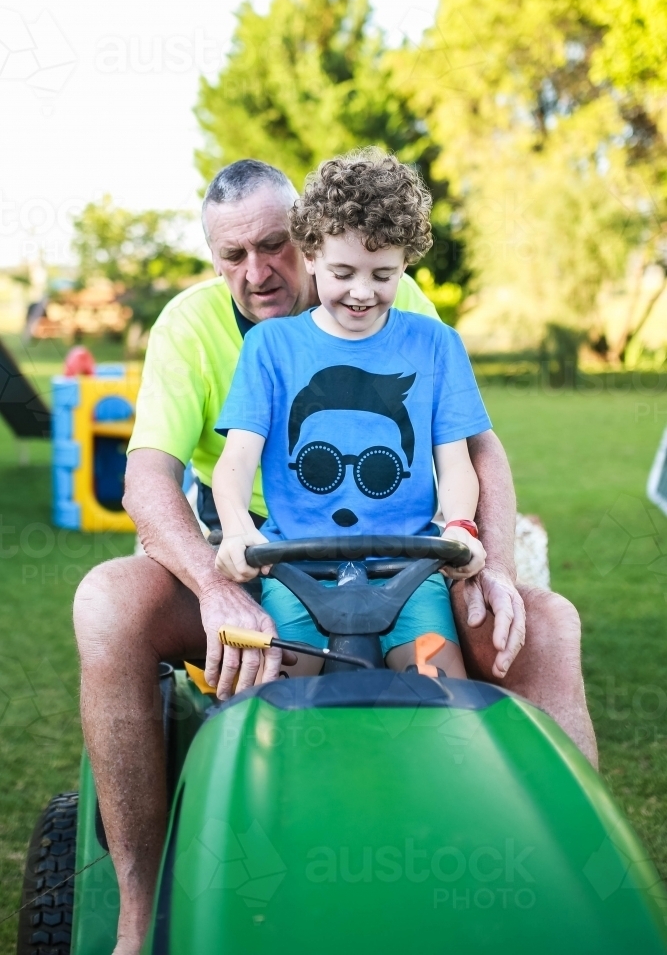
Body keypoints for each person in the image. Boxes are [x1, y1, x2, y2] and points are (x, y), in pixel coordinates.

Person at [72, 157, 597, 955]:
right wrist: (217, 587)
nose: (258, 272)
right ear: (214, 259)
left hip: (409, 546)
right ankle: (142, 912)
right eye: (232, 256)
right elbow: (148, 480)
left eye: (274, 245)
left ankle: (569, 896)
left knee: (547, 623)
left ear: (310, 238)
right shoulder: (196, 325)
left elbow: (476, 449)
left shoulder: (389, 298)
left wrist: (490, 565)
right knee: (106, 603)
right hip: (244, 547)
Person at [213, 150, 488, 679]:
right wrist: (236, 529)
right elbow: (237, 458)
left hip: (410, 572)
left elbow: (455, 462)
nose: (363, 293)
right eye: (343, 272)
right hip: (297, 571)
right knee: (276, 694)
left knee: (439, 689)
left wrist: (459, 527)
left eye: (383, 274)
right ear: (310, 254)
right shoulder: (272, 346)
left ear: (406, 262)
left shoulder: (436, 345)